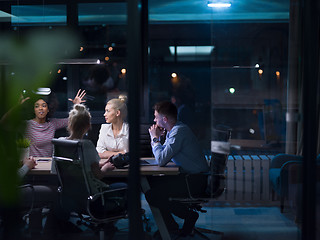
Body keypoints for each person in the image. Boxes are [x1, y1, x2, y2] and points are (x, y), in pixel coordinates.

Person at [146, 101, 209, 237]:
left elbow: (161, 160)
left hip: (194, 182)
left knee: (152, 194)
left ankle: (187, 216)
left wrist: (155, 139)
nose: (154, 120)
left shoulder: (179, 132)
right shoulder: (174, 131)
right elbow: (162, 156)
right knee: (150, 183)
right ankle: (171, 226)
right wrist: (160, 140)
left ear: (165, 119)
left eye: (156, 117)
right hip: (189, 178)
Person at [24, 89, 86, 157]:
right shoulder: (27, 125)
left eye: (44, 106)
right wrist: (17, 106)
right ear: (34, 110)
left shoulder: (52, 124)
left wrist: (77, 105)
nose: (40, 108)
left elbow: (74, 120)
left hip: (49, 163)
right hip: (33, 164)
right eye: (37, 106)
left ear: (47, 110)